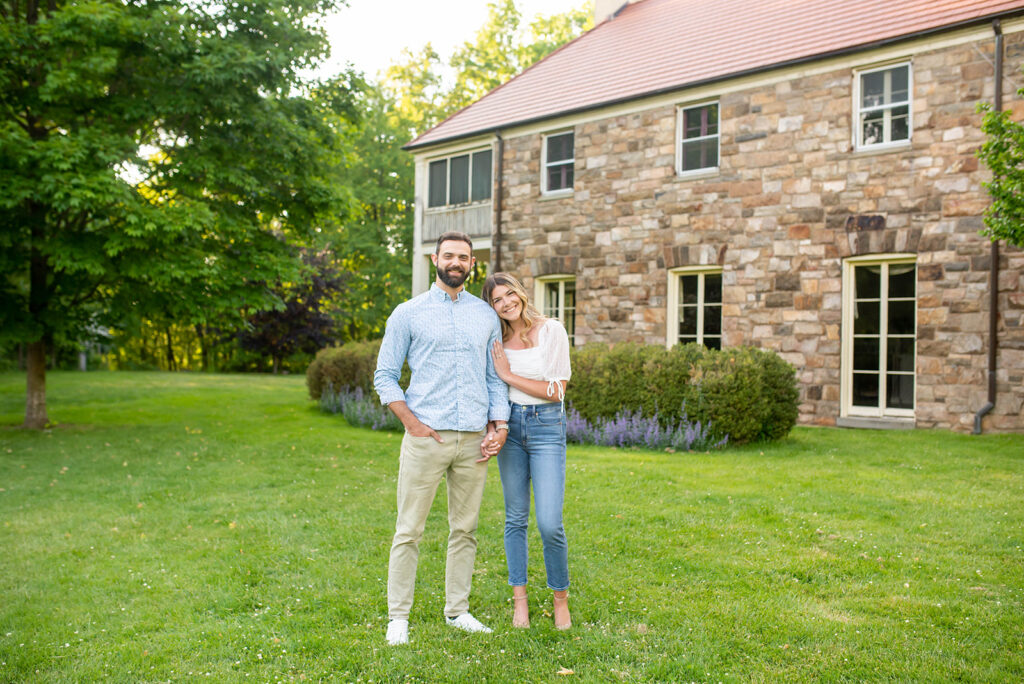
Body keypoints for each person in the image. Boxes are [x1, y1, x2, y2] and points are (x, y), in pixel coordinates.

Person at [374, 232, 510, 646]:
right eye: (449, 255)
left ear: (472, 264)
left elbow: (494, 377)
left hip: (473, 440)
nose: (456, 262)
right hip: (425, 437)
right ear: (435, 259)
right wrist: (411, 424)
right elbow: (384, 376)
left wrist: (499, 425)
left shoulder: (486, 317)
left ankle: (458, 611)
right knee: (408, 529)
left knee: (465, 530)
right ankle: (399, 617)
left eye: (464, 257)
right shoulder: (408, 313)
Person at [480, 272, 572, 630]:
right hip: (511, 429)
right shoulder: (496, 340)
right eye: (496, 301)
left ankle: (560, 597)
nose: (506, 304)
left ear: (521, 293)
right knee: (515, 518)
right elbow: (493, 389)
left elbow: (556, 390)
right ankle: (520, 601)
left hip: (547, 427)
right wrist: (495, 427)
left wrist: (509, 376)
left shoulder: (551, 330)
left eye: (509, 295)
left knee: (549, 523)